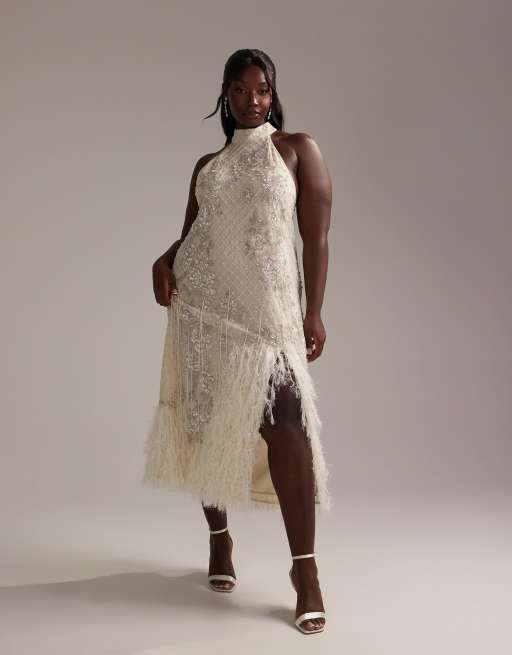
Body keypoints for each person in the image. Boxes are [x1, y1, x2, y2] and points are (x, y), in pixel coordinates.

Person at [143, 49, 333, 635]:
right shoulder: (208, 165)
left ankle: (305, 571)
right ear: (225, 94)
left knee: (286, 419)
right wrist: (164, 259)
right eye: (242, 90)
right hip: (204, 308)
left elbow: (316, 236)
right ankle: (220, 540)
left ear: (274, 94)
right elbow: (192, 235)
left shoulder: (295, 149)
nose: (254, 100)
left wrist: (314, 311)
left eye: (263, 89)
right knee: (208, 418)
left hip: (267, 311)